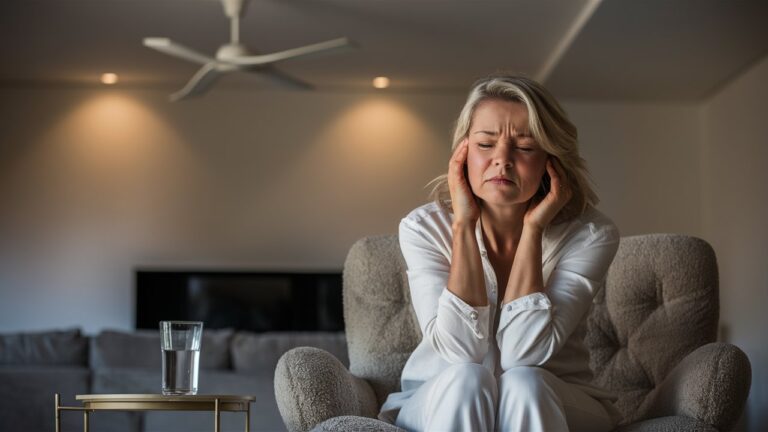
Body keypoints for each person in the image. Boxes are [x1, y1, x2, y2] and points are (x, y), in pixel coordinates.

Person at [378, 75, 624, 432]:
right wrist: (463, 225)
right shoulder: (422, 229)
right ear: (463, 152)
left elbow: (523, 355)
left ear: (551, 160)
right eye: (485, 144)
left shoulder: (590, 235)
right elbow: (461, 352)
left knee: (524, 382)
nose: (502, 160)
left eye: (524, 147)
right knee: (467, 378)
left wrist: (533, 229)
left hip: (552, 397)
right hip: (441, 395)